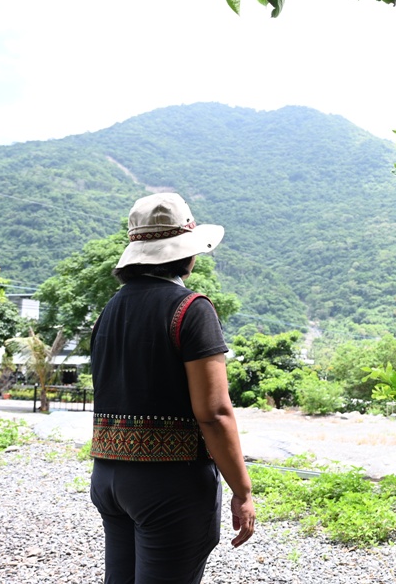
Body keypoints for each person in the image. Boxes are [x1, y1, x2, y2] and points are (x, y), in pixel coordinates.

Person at [88, 192, 255, 584]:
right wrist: (242, 491)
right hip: (169, 485)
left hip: (109, 478)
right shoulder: (191, 309)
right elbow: (214, 414)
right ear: (187, 252)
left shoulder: (109, 311)